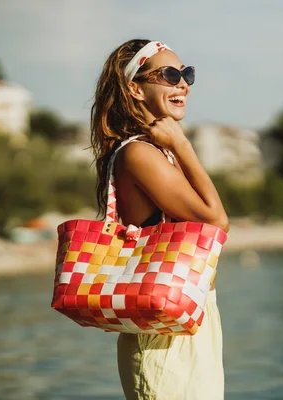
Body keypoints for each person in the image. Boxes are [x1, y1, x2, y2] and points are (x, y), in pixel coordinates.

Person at [90, 39, 229, 399]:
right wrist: (184, 146)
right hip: (161, 337)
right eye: (169, 74)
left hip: (186, 320)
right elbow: (215, 225)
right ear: (135, 88)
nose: (182, 83)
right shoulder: (139, 154)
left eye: (186, 74)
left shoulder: (154, 152)